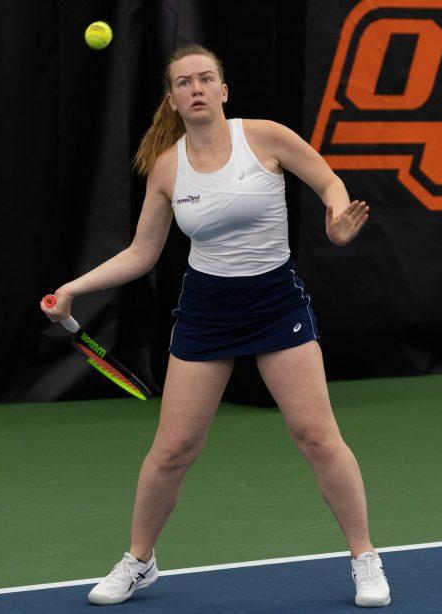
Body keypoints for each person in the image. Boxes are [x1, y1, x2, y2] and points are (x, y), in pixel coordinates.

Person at [40, 44, 390, 608]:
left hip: (276, 304)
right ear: (173, 100)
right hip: (206, 312)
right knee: (173, 448)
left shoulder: (266, 137)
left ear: (223, 91)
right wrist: (75, 288)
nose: (197, 89)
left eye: (206, 79)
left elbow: (327, 181)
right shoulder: (167, 167)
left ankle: (365, 558)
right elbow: (141, 252)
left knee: (318, 437)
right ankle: (139, 562)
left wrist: (336, 219)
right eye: (185, 83)